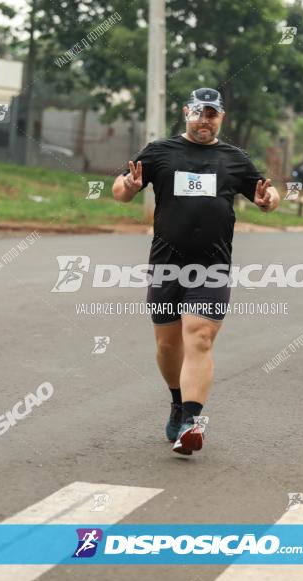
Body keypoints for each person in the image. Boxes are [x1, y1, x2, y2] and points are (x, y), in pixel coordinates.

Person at [111, 88, 279, 456]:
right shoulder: (159, 151)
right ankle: (176, 400)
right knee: (168, 345)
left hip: (212, 265)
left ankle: (190, 421)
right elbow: (119, 190)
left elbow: (266, 193)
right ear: (186, 112)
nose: (205, 120)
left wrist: (271, 199)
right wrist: (129, 186)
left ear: (221, 118)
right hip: (166, 264)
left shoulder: (234, 159)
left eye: (212, 114)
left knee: (199, 337)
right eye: (199, 113)